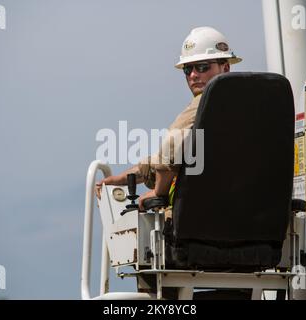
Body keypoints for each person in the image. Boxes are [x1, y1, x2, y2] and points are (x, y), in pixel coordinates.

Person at [96, 26, 242, 211]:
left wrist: (159, 192)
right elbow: (163, 159)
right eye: (188, 69)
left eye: (203, 67)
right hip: (262, 219)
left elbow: (171, 146)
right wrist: (120, 180)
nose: (193, 75)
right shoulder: (253, 103)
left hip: (203, 218)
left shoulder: (207, 101)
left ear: (226, 67)